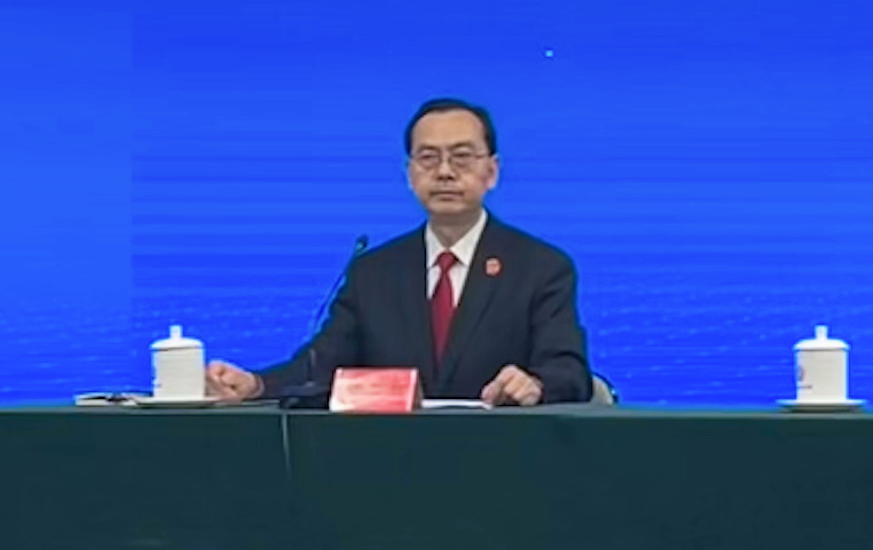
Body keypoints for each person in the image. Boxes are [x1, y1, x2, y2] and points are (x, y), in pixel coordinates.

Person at [204, 99, 593, 407]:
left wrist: (535, 385)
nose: (445, 172)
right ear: (410, 174)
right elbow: (321, 366)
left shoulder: (541, 267)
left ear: (491, 172)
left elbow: (569, 371)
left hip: (505, 455)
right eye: (429, 158)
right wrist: (256, 385)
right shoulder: (374, 272)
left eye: (461, 157)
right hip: (390, 458)